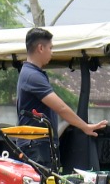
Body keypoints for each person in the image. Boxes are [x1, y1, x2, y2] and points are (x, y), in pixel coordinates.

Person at [14, 29, 104, 157]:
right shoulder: (32, 76)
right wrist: (85, 126)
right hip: (36, 145)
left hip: (38, 144)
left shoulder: (31, 73)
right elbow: (61, 108)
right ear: (40, 48)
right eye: (50, 48)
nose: (52, 52)